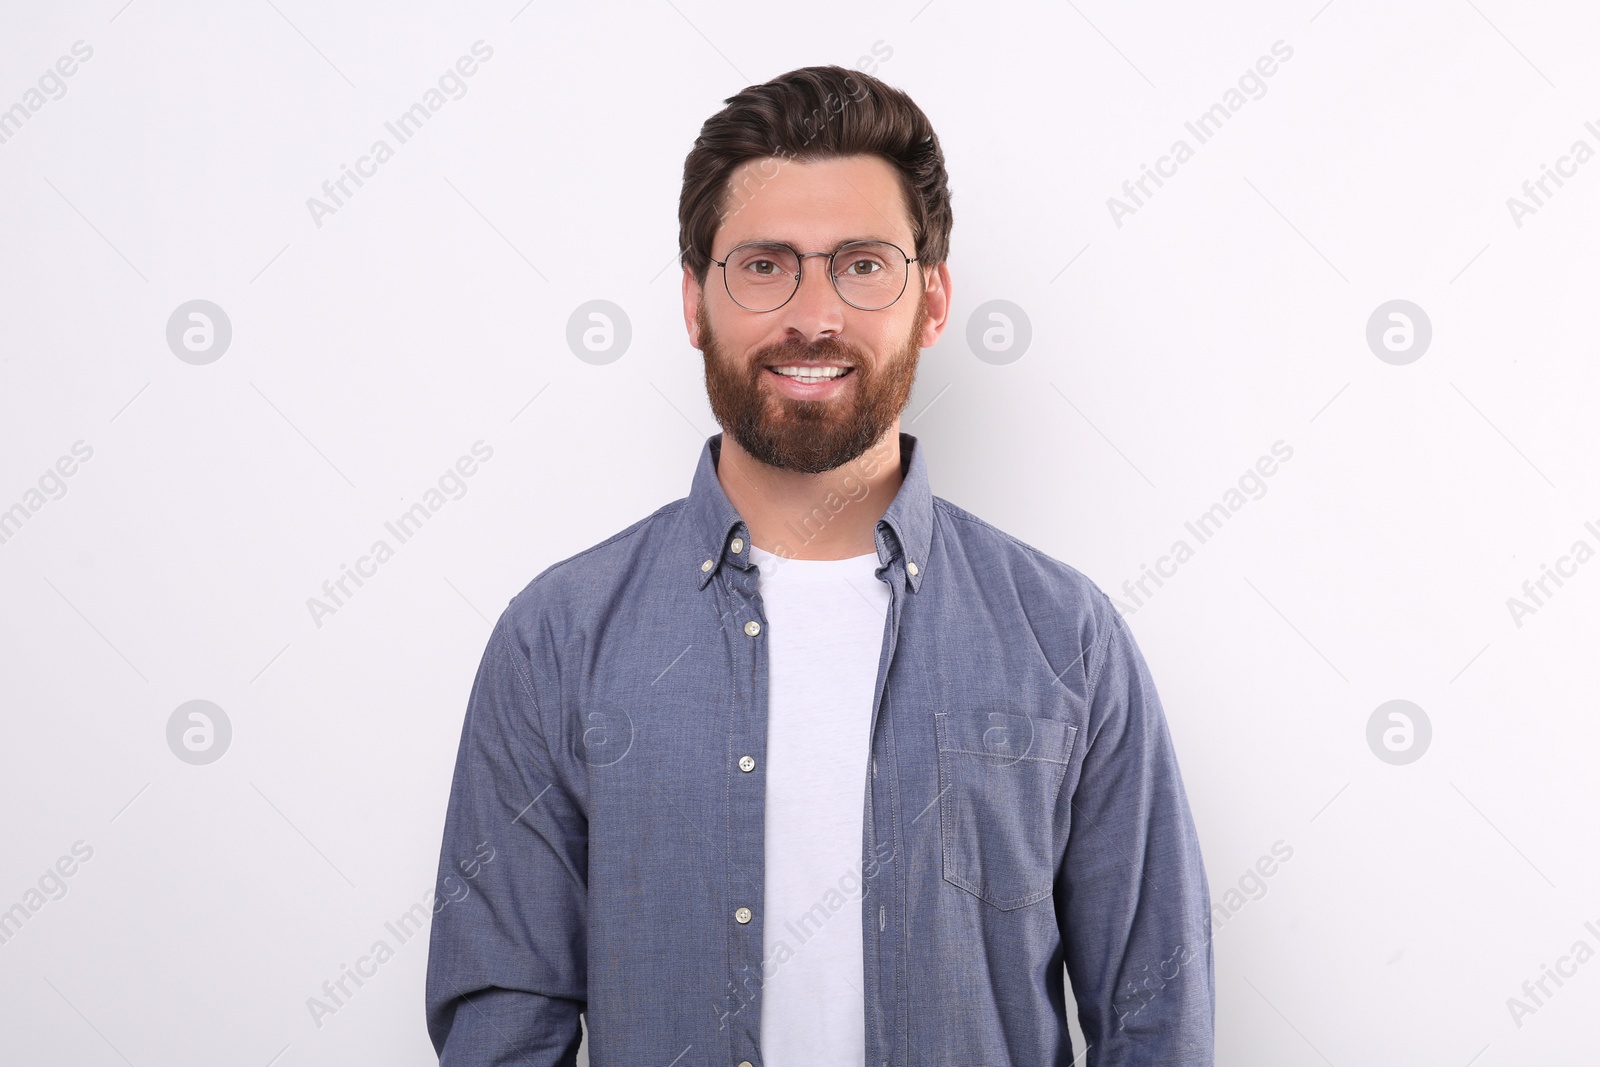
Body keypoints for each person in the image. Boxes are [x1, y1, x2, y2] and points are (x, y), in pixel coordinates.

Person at [425, 64, 1213, 1067]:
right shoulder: (556, 637)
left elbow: (1155, 1020)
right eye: (763, 265)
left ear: (930, 301)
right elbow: (502, 1028)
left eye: (861, 264)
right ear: (693, 301)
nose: (812, 313)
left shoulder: (1068, 636)